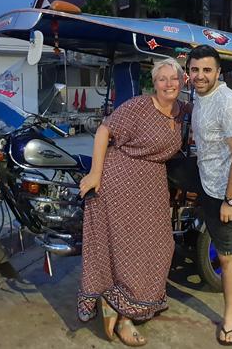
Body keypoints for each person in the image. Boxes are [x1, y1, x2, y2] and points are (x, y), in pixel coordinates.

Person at [77, 58, 186, 347]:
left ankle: (123, 302)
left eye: (173, 78)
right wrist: (95, 173)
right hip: (120, 180)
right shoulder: (139, 105)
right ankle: (123, 313)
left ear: (182, 81)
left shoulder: (182, 112)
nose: (168, 84)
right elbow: (104, 130)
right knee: (127, 249)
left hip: (151, 186)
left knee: (161, 245)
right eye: (162, 79)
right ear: (154, 83)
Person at [188, 45, 232, 346]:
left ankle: (231, 317)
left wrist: (230, 200)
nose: (200, 75)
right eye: (195, 69)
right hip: (205, 177)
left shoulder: (228, 103)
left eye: (207, 70)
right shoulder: (199, 97)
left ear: (218, 72)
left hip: (224, 189)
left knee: (227, 255)